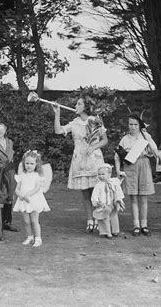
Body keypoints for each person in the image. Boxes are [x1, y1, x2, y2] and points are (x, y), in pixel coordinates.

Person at [52, 95, 108, 233]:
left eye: (78, 104)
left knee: (97, 191)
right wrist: (57, 114)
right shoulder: (74, 122)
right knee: (85, 193)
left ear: (85, 107)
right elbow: (58, 131)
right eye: (76, 104)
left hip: (94, 159)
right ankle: (89, 221)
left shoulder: (95, 121)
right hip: (80, 161)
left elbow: (105, 140)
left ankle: (98, 219)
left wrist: (93, 147)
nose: (76, 106)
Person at [114, 112, 160, 237]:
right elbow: (117, 156)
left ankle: (144, 225)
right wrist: (118, 170)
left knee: (143, 197)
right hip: (130, 167)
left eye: (135, 124)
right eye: (130, 124)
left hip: (143, 165)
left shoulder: (145, 137)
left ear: (140, 125)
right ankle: (136, 226)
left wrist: (147, 137)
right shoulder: (125, 139)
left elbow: (155, 151)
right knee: (133, 197)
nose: (133, 127)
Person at [13, 150, 50, 247]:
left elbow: (37, 188)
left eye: (32, 164)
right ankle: (29, 236)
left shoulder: (37, 176)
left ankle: (38, 238)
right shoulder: (21, 176)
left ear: (36, 164)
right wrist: (20, 195)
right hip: (23, 200)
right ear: (23, 163)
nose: (29, 166)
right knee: (26, 221)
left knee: (34, 221)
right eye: (27, 163)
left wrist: (27, 195)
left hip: (33, 200)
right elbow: (17, 188)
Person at [91, 163, 125, 239]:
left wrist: (121, 175)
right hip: (104, 204)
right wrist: (96, 202)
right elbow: (95, 194)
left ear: (109, 174)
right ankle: (107, 232)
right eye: (99, 174)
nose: (101, 176)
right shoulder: (98, 185)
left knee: (114, 216)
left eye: (103, 174)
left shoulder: (113, 181)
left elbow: (119, 180)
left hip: (112, 203)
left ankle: (115, 230)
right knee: (105, 217)